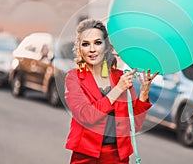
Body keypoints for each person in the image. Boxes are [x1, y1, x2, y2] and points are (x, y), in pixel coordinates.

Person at [65, 19, 158, 164]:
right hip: (85, 156)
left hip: (117, 157)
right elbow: (87, 115)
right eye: (85, 44)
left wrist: (144, 92)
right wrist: (118, 89)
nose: (92, 49)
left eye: (97, 42)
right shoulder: (74, 77)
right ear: (80, 49)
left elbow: (135, 125)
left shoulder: (120, 76)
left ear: (106, 46)